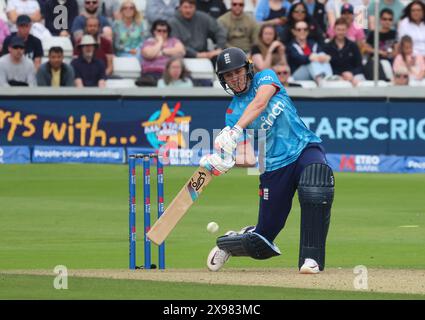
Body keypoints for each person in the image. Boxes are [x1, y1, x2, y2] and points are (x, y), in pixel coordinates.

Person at [200, 47, 334, 274]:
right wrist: (226, 160)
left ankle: (311, 259)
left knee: (316, 183)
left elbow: (260, 103)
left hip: (303, 147)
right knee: (261, 242)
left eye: (238, 71)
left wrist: (235, 130)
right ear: (223, 80)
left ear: (248, 69)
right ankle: (230, 243)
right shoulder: (233, 113)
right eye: (229, 75)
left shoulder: (266, 77)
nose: (235, 78)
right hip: (273, 167)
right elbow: (249, 158)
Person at [324, 17, 365, 86]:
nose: (341, 32)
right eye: (338, 30)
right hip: (334, 76)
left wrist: (351, 73)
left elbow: (359, 65)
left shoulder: (353, 46)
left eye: (343, 30)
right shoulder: (327, 47)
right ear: (334, 29)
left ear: (347, 30)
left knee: (360, 83)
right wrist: (341, 75)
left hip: (353, 75)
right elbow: (326, 66)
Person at [363, 8, 397, 80]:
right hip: (375, 62)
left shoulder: (394, 33)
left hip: (391, 62)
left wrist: (391, 53)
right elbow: (366, 48)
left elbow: (397, 50)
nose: (387, 21)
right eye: (385, 19)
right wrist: (379, 52)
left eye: (390, 19)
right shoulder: (373, 33)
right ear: (380, 20)